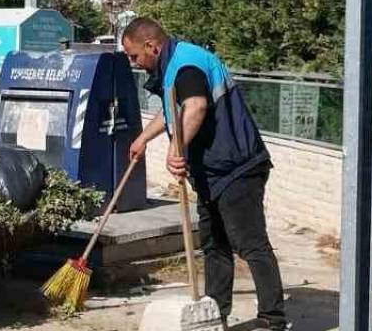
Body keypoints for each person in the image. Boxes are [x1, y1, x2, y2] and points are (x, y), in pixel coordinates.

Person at [123, 18, 287, 331]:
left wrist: (176, 150)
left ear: (151, 46)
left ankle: (272, 319)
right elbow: (176, 109)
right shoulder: (176, 63)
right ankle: (215, 313)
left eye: (134, 56)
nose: (134, 63)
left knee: (250, 243)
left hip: (237, 167)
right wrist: (145, 137)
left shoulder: (186, 65)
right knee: (215, 245)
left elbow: (196, 106)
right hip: (212, 172)